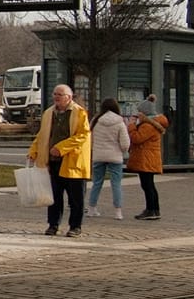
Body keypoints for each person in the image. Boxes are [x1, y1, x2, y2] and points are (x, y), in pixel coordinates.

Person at [26, 83, 90, 238]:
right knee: (54, 197)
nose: (56, 97)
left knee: (76, 199)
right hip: (53, 162)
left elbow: (83, 135)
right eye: (55, 94)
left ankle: (75, 226)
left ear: (68, 97)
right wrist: (33, 151)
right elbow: (43, 135)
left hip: (73, 163)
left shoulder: (79, 113)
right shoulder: (49, 113)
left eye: (59, 94)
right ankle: (53, 225)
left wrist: (61, 148)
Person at [84, 98, 129, 221]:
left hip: (98, 155)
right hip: (115, 156)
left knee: (97, 183)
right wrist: (123, 150)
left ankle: (92, 208)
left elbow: (90, 139)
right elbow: (125, 143)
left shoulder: (96, 121)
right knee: (116, 184)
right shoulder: (120, 122)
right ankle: (118, 211)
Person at [127, 109, 168, 220]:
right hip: (149, 159)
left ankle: (151, 210)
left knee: (147, 185)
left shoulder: (148, 126)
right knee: (149, 185)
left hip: (146, 159)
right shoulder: (153, 124)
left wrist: (131, 125)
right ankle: (154, 209)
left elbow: (136, 138)